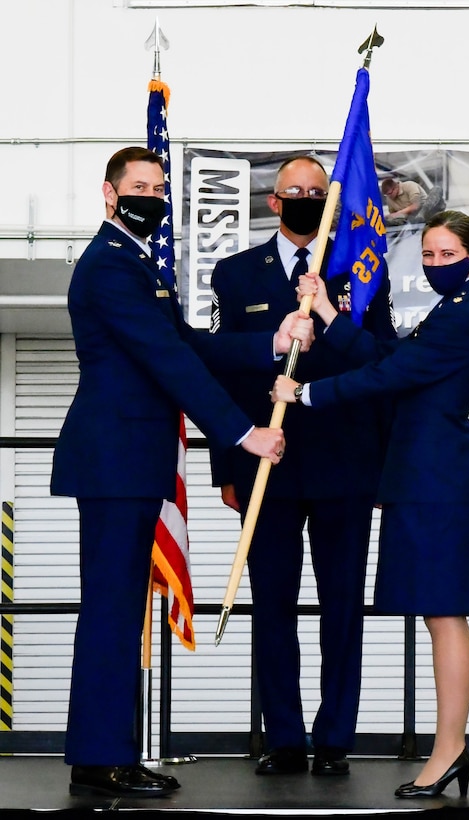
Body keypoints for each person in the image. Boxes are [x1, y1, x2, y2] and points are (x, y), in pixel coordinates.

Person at [50, 146, 314, 799]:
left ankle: (111, 750)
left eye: (159, 186)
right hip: (116, 460)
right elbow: (167, 359)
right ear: (110, 195)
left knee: (122, 611)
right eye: (139, 186)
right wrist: (243, 431)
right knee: (113, 612)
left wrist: (270, 344)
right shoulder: (109, 266)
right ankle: (98, 756)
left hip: (134, 461)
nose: (152, 196)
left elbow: (190, 341)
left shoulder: (139, 264)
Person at [272, 210, 469, 798]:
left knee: (445, 612)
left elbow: (389, 375)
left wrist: (307, 393)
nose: (436, 263)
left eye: (448, 254)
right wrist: (325, 312)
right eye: (428, 254)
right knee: (437, 613)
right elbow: (382, 353)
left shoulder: (465, 316)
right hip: (420, 476)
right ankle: (449, 749)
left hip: (435, 480)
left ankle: (449, 750)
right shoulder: (450, 312)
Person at [209, 155, 396, 776]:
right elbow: (223, 372)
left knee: (343, 604)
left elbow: (381, 364)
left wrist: (381, 468)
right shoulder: (236, 275)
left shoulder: (361, 271)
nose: (306, 199)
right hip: (269, 465)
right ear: (273, 201)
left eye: (318, 192)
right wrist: (227, 467)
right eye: (295, 191)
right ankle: (285, 737)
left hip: (345, 462)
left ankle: (336, 736)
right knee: (273, 604)